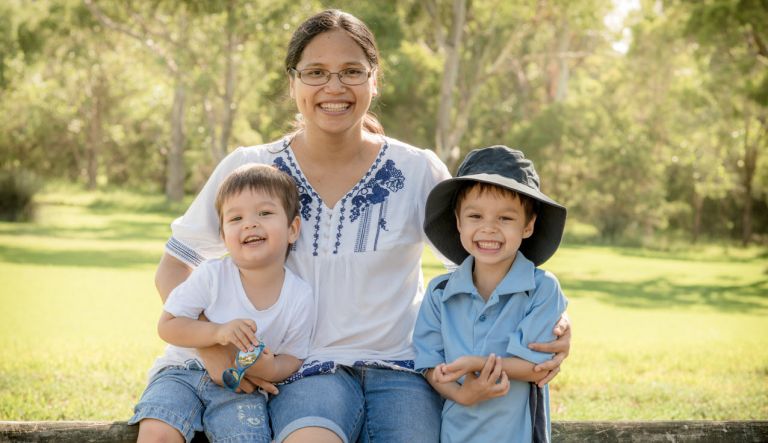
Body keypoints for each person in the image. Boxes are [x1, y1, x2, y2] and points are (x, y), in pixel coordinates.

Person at [154, 9, 571, 443]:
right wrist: (216, 349)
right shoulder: (249, 168)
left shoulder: (417, 169)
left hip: (403, 370)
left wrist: (553, 322)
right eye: (315, 72)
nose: (334, 87)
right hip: (305, 371)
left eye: (352, 71)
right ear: (292, 82)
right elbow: (175, 267)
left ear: (375, 79)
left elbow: (482, 270)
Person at [130, 164, 315, 443]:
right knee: (157, 433)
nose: (250, 223)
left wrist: (270, 369)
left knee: (245, 438)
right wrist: (216, 333)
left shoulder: (299, 296)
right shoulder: (211, 275)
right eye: (236, 218)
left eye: (264, 213)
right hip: (183, 373)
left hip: (240, 388)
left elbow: (293, 356)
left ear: (292, 229)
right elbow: (168, 326)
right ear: (223, 237)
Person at [414, 146, 568, 443]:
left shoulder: (542, 288)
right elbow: (430, 365)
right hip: (454, 433)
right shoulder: (439, 292)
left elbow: (536, 367)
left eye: (505, 219)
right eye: (475, 216)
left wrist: (476, 364)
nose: (488, 229)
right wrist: (462, 393)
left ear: (528, 225)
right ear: (458, 222)